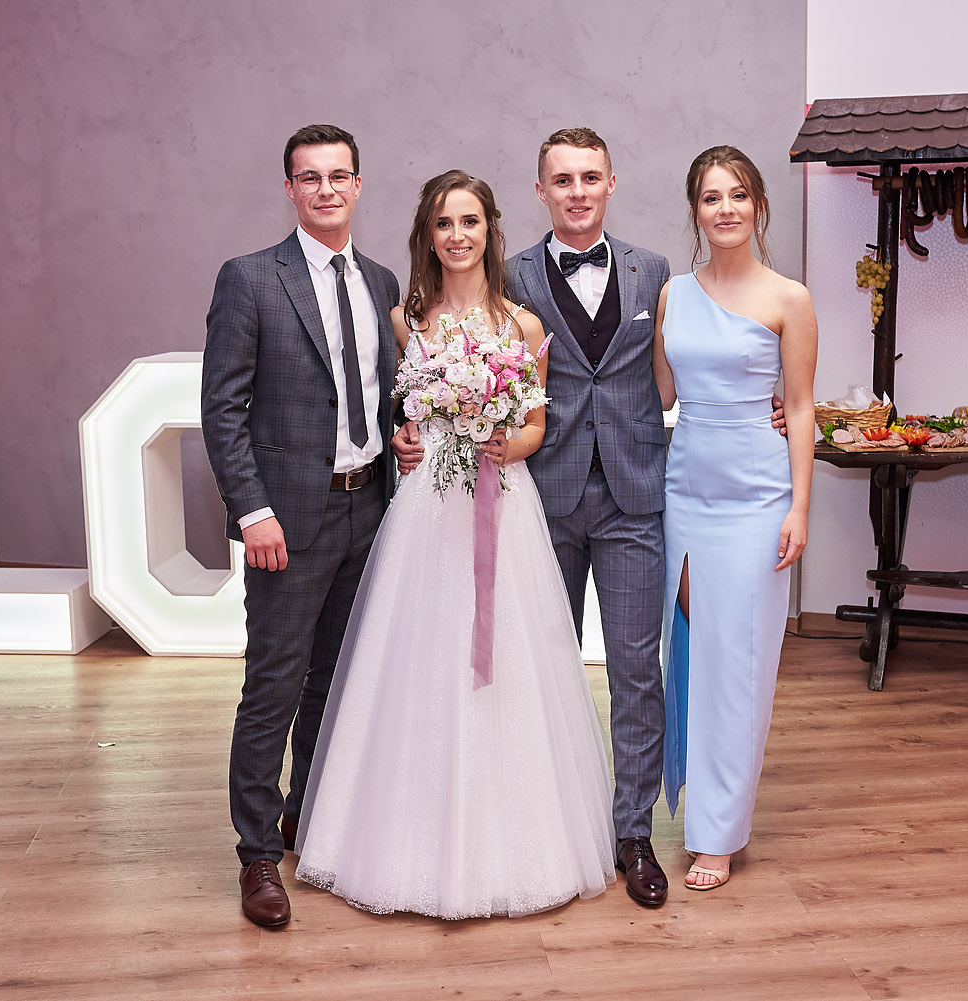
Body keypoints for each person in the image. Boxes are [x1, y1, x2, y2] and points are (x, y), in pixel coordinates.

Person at [293, 170, 616, 919]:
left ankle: (515, 847)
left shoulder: (523, 325)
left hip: (503, 503)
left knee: (511, 666)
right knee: (418, 660)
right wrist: (408, 436)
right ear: (428, 236)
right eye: (444, 223)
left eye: (469, 221)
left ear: (490, 230)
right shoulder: (405, 321)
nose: (458, 235)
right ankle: (400, 844)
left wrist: (508, 442)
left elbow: (537, 423)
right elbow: (394, 413)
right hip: (428, 513)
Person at [398, 128, 674, 907]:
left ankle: (632, 834)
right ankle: (543, 831)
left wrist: (761, 406)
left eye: (590, 177)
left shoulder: (654, 271)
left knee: (635, 671)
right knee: (536, 668)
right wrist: (410, 431)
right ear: (540, 190)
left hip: (631, 498)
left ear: (611, 183)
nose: (576, 191)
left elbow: (674, 372)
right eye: (562, 179)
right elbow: (437, 358)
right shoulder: (507, 275)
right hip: (537, 497)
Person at [201, 124, 401, 929]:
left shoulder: (381, 281)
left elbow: (384, 396)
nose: (326, 189)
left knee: (335, 679)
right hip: (286, 518)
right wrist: (253, 510)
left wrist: (406, 439)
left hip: (370, 509)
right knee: (275, 684)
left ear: (358, 185)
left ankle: (306, 817)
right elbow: (223, 407)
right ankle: (256, 855)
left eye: (338, 175)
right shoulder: (251, 279)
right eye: (309, 177)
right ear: (289, 189)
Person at [652, 146, 817, 891]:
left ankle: (718, 835)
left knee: (739, 665)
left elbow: (802, 407)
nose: (726, 208)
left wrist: (801, 507)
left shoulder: (790, 298)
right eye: (712, 196)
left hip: (758, 499)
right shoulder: (672, 295)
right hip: (685, 492)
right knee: (692, 654)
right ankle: (687, 803)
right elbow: (659, 395)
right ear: (695, 210)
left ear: (758, 207)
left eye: (739, 194)